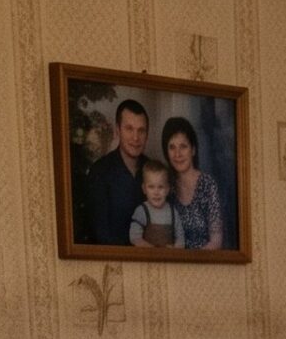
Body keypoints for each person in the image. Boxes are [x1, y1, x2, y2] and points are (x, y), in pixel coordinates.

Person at [82, 98, 150, 246]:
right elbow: (100, 234)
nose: (136, 137)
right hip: (111, 257)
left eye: (141, 130)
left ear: (147, 135)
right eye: (129, 129)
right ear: (117, 130)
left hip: (152, 258)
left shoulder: (154, 170)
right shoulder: (99, 172)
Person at [163, 116, 229, 251]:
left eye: (183, 147)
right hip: (173, 261)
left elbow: (217, 240)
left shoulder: (207, 185)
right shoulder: (166, 187)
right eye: (172, 147)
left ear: (193, 149)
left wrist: (192, 260)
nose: (177, 154)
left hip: (204, 261)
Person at [128, 160, 177, 247]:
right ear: (144, 189)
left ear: (167, 189)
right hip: (147, 254)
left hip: (169, 254)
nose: (156, 192)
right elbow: (134, 237)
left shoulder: (173, 211)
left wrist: (177, 247)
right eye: (151, 187)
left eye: (160, 187)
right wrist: (151, 249)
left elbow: (180, 236)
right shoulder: (141, 211)